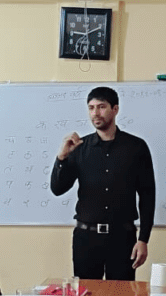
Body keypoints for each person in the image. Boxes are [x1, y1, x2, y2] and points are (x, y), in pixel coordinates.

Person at [50, 86, 155, 280]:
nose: (95, 113)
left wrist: (143, 239)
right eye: (91, 108)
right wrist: (61, 158)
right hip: (86, 238)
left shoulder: (136, 147)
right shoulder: (79, 148)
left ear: (115, 109)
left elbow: (148, 196)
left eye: (101, 107)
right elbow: (57, 189)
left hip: (122, 238)